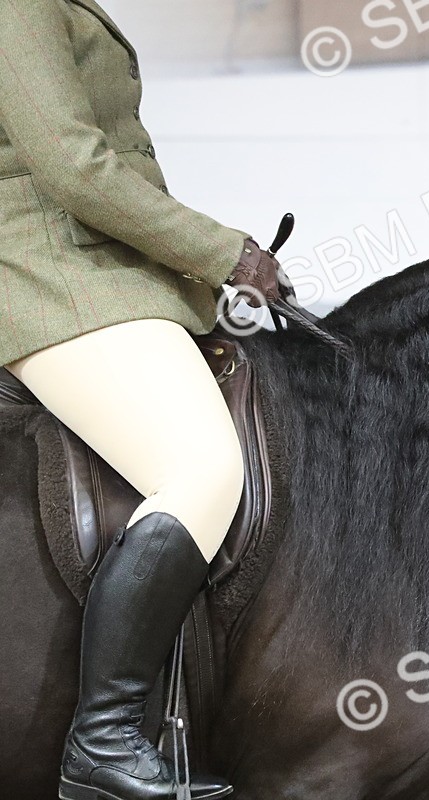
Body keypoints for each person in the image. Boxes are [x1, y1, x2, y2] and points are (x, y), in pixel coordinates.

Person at [0, 1, 281, 798]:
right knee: (201, 469)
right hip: (47, 276)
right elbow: (70, 163)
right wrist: (224, 251)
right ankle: (104, 741)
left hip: (100, 274)